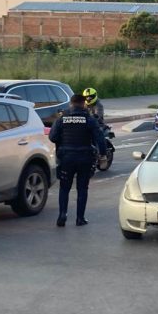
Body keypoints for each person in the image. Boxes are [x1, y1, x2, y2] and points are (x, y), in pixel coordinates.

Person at [49, 94, 107, 227]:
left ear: (71, 104)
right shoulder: (89, 119)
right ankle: (80, 219)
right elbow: (99, 138)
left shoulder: (62, 118)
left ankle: (62, 215)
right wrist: (102, 155)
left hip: (66, 158)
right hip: (84, 158)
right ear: (83, 104)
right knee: (82, 188)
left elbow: (52, 137)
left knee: (64, 188)